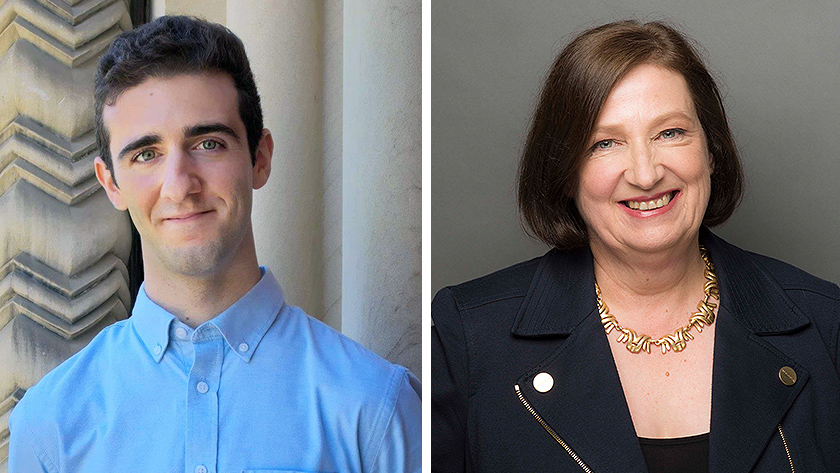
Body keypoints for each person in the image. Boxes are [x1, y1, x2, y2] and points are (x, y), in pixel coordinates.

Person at [9, 16, 421, 473]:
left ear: (259, 159)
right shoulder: (50, 425)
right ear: (111, 183)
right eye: (146, 154)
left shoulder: (374, 404)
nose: (179, 185)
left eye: (208, 143)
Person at [432, 20, 840, 473]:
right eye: (605, 143)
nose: (645, 174)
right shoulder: (468, 336)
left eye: (670, 133)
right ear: (567, 171)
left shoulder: (826, 324)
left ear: (711, 150)